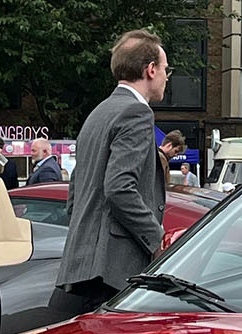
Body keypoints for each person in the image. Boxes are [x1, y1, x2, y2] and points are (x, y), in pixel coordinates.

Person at [49, 29, 171, 319]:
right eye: (166, 69)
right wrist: (157, 240)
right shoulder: (137, 113)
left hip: (86, 266)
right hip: (115, 269)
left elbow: (76, 192)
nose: (167, 76)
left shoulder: (99, 112)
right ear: (151, 70)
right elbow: (119, 188)